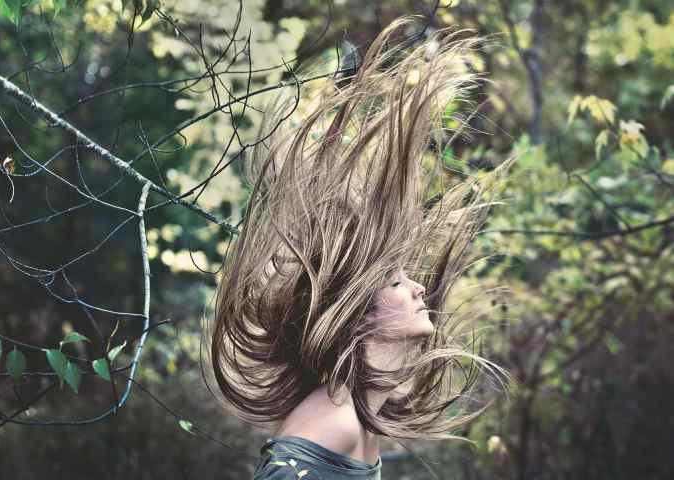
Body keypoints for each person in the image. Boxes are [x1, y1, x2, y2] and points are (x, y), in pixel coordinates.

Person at [200, 16, 514, 480]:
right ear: (358, 315)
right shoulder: (333, 422)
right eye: (395, 281)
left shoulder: (358, 416)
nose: (418, 289)